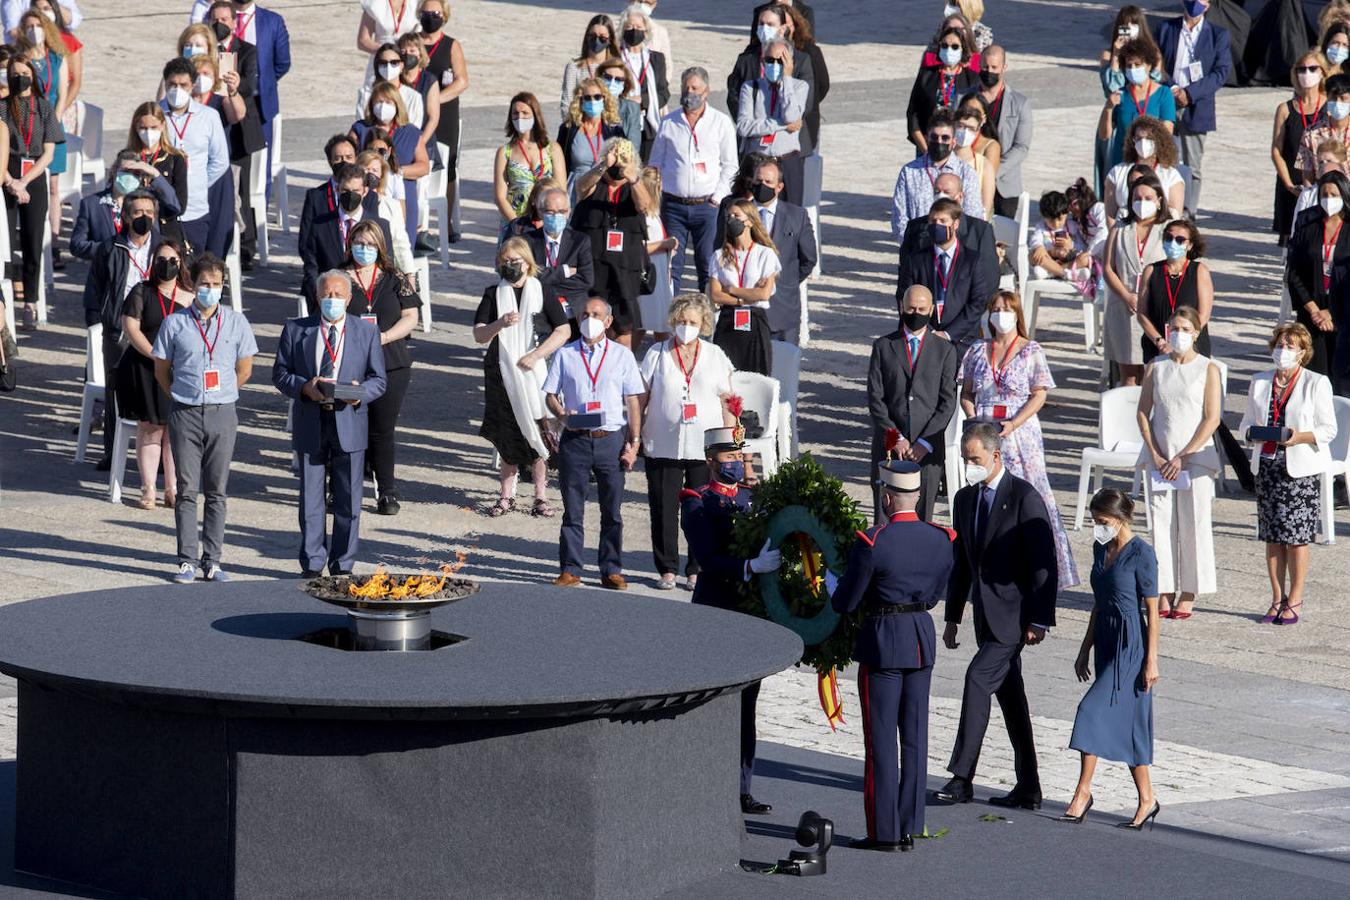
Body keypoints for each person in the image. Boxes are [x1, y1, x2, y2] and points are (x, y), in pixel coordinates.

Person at [832, 458, 954, 852]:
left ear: (886, 497)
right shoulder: (941, 538)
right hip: (920, 637)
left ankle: (883, 832)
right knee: (915, 738)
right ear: (917, 496)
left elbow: (846, 603)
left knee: (881, 740)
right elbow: (936, 593)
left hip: (884, 640)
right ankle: (908, 825)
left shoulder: (873, 541)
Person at [935, 421, 1058, 810]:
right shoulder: (965, 500)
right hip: (985, 616)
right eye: (965, 459)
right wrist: (952, 615)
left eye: (975, 458)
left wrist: (1039, 618)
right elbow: (962, 564)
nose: (970, 465)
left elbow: (1044, 564)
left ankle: (961, 777)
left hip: (1014, 618)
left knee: (977, 678)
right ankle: (1028, 786)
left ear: (996, 456)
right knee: (1011, 699)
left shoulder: (1023, 497)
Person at [680, 424, 783, 814]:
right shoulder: (696, 500)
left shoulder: (752, 497)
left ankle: (742, 787)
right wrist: (749, 566)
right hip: (716, 609)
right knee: (712, 702)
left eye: (740, 457)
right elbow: (707, 558)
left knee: (747, 704)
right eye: (729, 459)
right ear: (710, 461)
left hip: (750, 612)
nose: (737, 465)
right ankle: (704, 781)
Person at [960, 290, 1080, 589]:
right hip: (985, 429)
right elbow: (966, 393)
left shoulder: (1031, 350)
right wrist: (974, 418)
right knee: (986, 493)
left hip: (1019, 430)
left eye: (1006, 309)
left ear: (1017, 314)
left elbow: (1040, 393)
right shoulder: (977, 350)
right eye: (995, 308)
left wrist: (1014, 422)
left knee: (1030, 493)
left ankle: (1045, 565)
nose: (1000, 314)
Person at [151, 253, 258, 584]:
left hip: (223, 411)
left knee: (217, 490)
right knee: (186, 489)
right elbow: (161, 370)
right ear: (192, 285)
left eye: (215, 284)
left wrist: (221, 391)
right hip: (185, 411)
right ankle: (186, 559)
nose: (209, 290)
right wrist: (185, 394)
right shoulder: (175, 323)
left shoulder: (236, 322)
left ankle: (212, 560)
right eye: (203, 284)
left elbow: (245, 368)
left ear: (223, 285)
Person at [273, 270, 387, 577]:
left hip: (348, 421)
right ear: (317, 296)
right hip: (311, 420)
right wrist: (303, 387)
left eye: (338, 295)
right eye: (326, 295)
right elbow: (280, 374)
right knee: (311, 499)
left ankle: (342, 565)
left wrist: (358, 394)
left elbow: (379, 379)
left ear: (349, 299)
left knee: (348, 500)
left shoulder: (366, 333)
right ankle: (311, 563)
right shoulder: (297, 329)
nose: (332, 300)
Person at [1060, 489, 1161, 831]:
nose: (1098, 527)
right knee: (1130, 722)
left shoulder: (1142, 554)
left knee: (1090, 711)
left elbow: (1153, 610)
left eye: (1102, 521)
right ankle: (1147, 799)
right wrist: (1084, 646)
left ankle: (1083, 792)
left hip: (1131, 642)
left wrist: (1152, 660)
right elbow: (1099, 601)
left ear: (1121, 519)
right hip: (1105, 635)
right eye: (1095, 521)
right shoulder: (1100, 548)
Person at [1240, 324, 1339, 626]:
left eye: (1291, 346)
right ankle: (1275, 596)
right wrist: (1252, 434)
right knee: (1272, 537)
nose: (1284, 350)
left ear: (1302, 352)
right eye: (1280, 344)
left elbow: (1328, 429)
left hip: (1299, 469)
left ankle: (1295, 597)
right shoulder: (1259, 382)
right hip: (1267, 466)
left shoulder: (1316, 383)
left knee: (1295, 538)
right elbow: (1244, 426)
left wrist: (1298, 437)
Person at [543, 297, 645, 589]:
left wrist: (634, 441)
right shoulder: (566, 354)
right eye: (585, 314)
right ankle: (571, 568)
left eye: (596, 314)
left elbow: (633, 401)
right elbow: (550, 394)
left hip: (610, 439)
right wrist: (562, 414)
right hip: (576, 439)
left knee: (611, 510)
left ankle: (611, 568)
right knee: (572, 509)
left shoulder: (622, 356)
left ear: (608, 321)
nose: (590, 319)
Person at [641, 294, 734, 590]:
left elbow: (728, 399)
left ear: (703, 323)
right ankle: (667, 567)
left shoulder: (715, 354)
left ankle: (696, 567)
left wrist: (728, 442)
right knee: (663, 507)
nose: (686, 327)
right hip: (662, 441)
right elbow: (640, 396)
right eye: (681, 321)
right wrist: (632, 434)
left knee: (701, 509)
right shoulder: (657, 353)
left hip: (703, 445)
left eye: (692, 322)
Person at [475, 238, 571, 519]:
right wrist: (499, 324)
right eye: (505, 261)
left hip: (535, 374)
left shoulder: (543, 292)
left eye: (515, 261)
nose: (510, 266)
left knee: (539, 433)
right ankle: (507, 494)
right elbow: (479, 334)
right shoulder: (493, 293)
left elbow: (563, 331)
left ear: (528, 264)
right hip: (501, 373)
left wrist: (537, 355)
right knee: (507, 435)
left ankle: (541, 495)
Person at [1136, 307, 1222, 620]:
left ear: (1197, 333)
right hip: (1160, 454)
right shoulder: (1155, 367)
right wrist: (1157, 453)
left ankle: (1190, 590)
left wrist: (1184, 454)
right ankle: (1163, 587)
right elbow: (1144, 412)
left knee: (1193, 520)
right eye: (1175, 327)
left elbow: (1212, 417)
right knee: (1160, 522)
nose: (1179, 333)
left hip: (1195, 455)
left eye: (1186, 328)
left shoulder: (1207, 368)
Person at [344, 221, 419, 515]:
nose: (364, 249)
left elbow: (411, 315)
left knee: (382, 430)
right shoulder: (338, 277)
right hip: (349, 363)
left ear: (380, 248)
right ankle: (340, 489)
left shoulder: (394, 278)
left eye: (371, 244)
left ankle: (386, 491)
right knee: (347, 429)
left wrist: (384, 337)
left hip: (390, 361)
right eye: (359, 243)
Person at [867, 286, 959, 522]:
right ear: (901, 307)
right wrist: (896, 438)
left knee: (922, 517)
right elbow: (876, 399)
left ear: (931, 311)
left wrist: (924, 442)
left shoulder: (945, 350)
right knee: (884, 519)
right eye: (910, 308)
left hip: (926, 450)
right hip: (889, 445)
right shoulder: (883, 346)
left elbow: (947, 402)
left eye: (921, 309)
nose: (915, 313)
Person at [82, 191, 159, 470]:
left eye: (150, 213)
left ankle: (158, 455)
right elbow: (95, 290)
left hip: (154, 331)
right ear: (126, 217)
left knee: (156, 390)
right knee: (116, 391)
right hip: (118, 330)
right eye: (138, 212)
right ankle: (112, 451)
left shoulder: (162, 249)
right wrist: (101, 322)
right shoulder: (109, 248)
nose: (144, 218)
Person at [116, 238, 194, 510]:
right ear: (152, 263)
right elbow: (131, 328)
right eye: (161, 260)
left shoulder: (190, 296)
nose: (167, 265)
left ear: (180, 263)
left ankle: (172, 488)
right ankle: (148, 487)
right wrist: (157, 356)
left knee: (176, 431)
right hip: (144, 367)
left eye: (172, 261)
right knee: (150, 428)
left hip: (180, 372)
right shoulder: (141, 291)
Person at [650, 66, 737, 294]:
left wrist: (717, 198)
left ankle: (707, 322)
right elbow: (655, 164)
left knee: (707, 266)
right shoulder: (669, 122)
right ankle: (670, 325)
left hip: (707, 206)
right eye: (686, 88)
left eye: (695, 88)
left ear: (706, 91)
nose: (690, 92)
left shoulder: (720, 122)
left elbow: (731, 166)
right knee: (672, 266)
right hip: (673, 206)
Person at [572, 137, 650, 348]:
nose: (618, 163)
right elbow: (581, 188)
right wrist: (602, 166)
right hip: (594, 267)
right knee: (592, 320)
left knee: (625, 325)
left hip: (626, 269)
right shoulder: (596, 181)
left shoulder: (636, 185)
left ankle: (622, 370)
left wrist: (633, 177)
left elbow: (644, 206)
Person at [1154, 0, 1231, 213]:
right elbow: (1156, 63)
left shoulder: (1218, 34)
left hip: (1197, 106)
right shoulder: (1166, 29)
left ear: (1208, 5)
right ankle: (1163, 206)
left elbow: (1221, 72)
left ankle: (1189, 211)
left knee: (1192, 164)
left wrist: (1190, 93)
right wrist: (1173, 88)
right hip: (1168, 100)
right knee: (1164, 158)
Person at [204, 0, 265, 268]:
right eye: (216, 19)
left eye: (225, 19)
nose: (220, 24)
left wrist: (236, 84)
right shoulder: (204, 51)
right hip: (213, 124)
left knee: (243, 189)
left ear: (234, 22)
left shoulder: (247, 51)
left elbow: (252, 84)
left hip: (239, 129)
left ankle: (247, 245)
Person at [2, 53, 59, 331]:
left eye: (24, 73)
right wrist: (11, 181)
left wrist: (24, 182)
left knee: (32, 239)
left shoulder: (44, 108)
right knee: (6, 242)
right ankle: (5, 297)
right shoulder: (2, 107)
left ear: (32, 76)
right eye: (14, 74)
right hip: (6, 172)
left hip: (33, 174)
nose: (19, 78)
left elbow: (49, 153)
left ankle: (31, 301)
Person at [299, 162, 394, 315]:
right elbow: (311, 267)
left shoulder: (380, 226)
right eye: (345, 191)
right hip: (331, 299)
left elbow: (387, 267)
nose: (351, 196)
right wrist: (323, 296)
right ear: (337, 190)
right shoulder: (319, 225)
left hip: (369, 301)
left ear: (365, 191)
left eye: (356, 191)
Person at [1102, 175, 1169, 386]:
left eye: (1148, 197)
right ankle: (1127, 417)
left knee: (1154, 374)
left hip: (1154, 307)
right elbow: (1108, 268)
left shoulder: (1168, 229)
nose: (1143, 202)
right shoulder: (1120, 228)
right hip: (1124, 305)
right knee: (1129, 375)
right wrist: (1126, 295)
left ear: (1159, 200)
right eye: (1137, 197)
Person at [896, 197, 989, 349]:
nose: (937, 225)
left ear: (956, 224)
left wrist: (948, 334)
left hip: (961, 340)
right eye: (933, 221)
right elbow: (903, 295)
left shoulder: (972, 260)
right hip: (923, 337)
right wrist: (926, 332)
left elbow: (978, 301)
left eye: (942, 221)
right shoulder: (916, 260)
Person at [159, 56, 229, 256]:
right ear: (165, 83)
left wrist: (197, 182)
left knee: (192, 266)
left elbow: (220, 160)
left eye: (183, 85)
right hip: (163, 210)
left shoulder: (208, 116)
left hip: (195, 207)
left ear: (192, 86)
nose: (177, 89)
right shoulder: (156, 115)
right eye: (172, 84)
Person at [727, 4, 818, 157]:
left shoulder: (801, 60)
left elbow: (807, 101)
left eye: (770, 24)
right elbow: (734, 97)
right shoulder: (746, 60)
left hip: (788, 144)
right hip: (754, 143)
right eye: (761, 24)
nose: (764, 28)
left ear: (782, 29)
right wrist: (760, 126)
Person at [17, 9, 68, 270]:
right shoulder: (20, 60)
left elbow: (62, 94)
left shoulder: (57, 59)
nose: (33, 30)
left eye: (38, 25)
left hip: (50, 129)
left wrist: (51, 124)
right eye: (29, 25)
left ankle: (55, 244)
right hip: (24, 129)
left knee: (53, 188)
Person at [1286, 170, 1350, 375]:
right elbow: (1294, 271)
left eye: (1334, 195)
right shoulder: (1307, 222)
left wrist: (1331, 312)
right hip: (1311, 311)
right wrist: (1314, 311)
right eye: (1324, 194)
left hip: (1344, 311)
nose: (1328, 200)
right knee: (1311, 374)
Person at [350, 82, 429, 247]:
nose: (383, 107)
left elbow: (423, 166)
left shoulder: (410, 132)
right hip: (367, 191)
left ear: (397, 104)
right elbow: (349, 159)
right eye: (378, 102)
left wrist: (395, 172)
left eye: (388, 102)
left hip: (403, 195)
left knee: (401, 245)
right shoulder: (361, 129)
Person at [747, 156, 815, 344]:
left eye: (768, 182)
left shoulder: (797, 216)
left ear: (779, 187)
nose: (763, 185)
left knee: (784, 367)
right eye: (759, 181)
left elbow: (808, 259)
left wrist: (786, 280)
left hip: (783, 307)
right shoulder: (738, 212)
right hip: (746, 307)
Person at [890, 109, 983, 245]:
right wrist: (912, 245)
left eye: (945, 138)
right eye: (934, 137)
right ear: (927, 137)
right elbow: (899, 216)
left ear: (953, 142)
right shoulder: (909, 171)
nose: (939, 141)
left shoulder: (966, 173)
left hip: (956, 251)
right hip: (917, 248)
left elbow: (973, 216)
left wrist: (952, 248)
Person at [734, 36, 808, 206]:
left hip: (786, 161)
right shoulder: (751, 87)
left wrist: (786, 80)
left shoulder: (799, 86)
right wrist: (781, 125)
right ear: (762, 60)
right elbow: (744, 127)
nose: (774, 65)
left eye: (780, 61)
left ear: (789, 62)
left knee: (790, 216)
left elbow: (791, 115)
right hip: (758, 161)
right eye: (769, 60)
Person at [708, 199, 779, 375]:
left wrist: (731, 290)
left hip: (755, 320)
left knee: (756, 375)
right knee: (724, 375)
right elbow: (715, 295)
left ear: (750, 221)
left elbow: (763, 294)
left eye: (736, 216)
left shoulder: (765, 254)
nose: (731, 219)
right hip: (727, 319)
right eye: (728, 216)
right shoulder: (719, 256)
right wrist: (744, 298)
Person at [70, 151, 182, 261]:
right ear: (114, 171)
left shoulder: (149, 201)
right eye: (126, 171)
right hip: (109, 272)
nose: (130, 176)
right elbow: (77, 245)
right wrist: (109, 248)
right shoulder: (92, 204)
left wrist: (155, 174)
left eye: (136, 173)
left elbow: (174, 207)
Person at [417, 0, 467, 243]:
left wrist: (436, 100)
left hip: (444, 113)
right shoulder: (413, 42)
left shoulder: (451, 45)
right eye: (426, 13)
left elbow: (461, 81)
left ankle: (446, 223)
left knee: (447, 166)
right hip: (417, 112)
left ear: (444, 15)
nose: (430, 17)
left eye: (435, 13)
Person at [900, 171, 999, 293]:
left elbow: (989, 278)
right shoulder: (915, 228)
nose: (940, 196)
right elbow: (905, 274)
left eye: (946, 192)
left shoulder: (980, 231)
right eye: (937, 191)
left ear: (960, 197)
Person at [1136, 219, 1213, 364]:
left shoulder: (1199, 271)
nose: (1173, 242)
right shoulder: (1151, 271)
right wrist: (1160, 341)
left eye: (1180, 240)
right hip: (1157, 346)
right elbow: (1141, 313)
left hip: (1192, 345)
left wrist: (1186, 339)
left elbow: (1204, 314)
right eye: (1169, 238)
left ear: (1189, 245)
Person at [1099, 39, 1176, 175]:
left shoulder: (1163, 94)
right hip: (1122, 164)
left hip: (1153, 164)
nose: (1133, 69)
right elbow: (1105, 135)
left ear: (1148, 65)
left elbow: (1167, 131)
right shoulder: (1119, 94)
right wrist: (1109, 108)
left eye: (1137, 64)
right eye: (1129, 65)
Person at [1273, 51, 1328, 243]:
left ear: (1323, 72)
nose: (1307, 73)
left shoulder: (1330, 106)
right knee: (1291, 239)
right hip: (1292, 182)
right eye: (1301, 69)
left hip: (1324, 183)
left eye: (1313, 69)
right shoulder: (1285, 108)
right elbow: (1277, 149)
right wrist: (1288, 184)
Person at [523, 185, 594, 333]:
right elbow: (528, 277)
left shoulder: (580, 241)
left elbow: (586, 280)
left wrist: (545, 279)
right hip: (540, 312)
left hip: (574, 313)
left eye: (562, 211)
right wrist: (564, 272)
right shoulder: (527, 241)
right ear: (541, 212)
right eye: (550, 212)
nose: (556, 216)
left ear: (568, 212)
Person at [493, 92, 564, 226]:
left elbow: (561, 189)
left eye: (525, 113)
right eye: (515, 113)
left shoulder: (553, 149)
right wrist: (516, 223)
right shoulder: (504, 152)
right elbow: (499, 197)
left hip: (547, 219)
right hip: (516, 219)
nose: (520, 117)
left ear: (535, 115)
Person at [976, 46, 1031, 219]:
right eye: (985, 67)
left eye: (994, 67)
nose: (989, 71)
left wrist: (992, 171)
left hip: (1005, 186)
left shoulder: (1020, 103)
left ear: (1004, 68)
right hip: (973, 181)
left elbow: (1021, 147)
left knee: (1004, 240)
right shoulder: (966, 99)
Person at [907, 25, 979, 155]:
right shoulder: (927, 75)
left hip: (959, 149)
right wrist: (925, 149)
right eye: (944, 46)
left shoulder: (971, 79)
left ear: (963, 50)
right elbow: (913, 114)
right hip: (928, 145)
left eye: (955, 46)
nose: (949, 50)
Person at [126, 102, 189, 245]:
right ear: (135, 128)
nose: (148, 133)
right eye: (143, 128)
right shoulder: (128, 157)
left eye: (153, 127)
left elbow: (179, 206)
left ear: (162, 125)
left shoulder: (175, 158)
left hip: (164, 232)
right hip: (134, 232)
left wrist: (156, 176)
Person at [1102, 115, 1186, 222]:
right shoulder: (1117, 172)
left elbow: (1175, 215)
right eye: (1139, 138)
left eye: (1149, 138)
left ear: (1158, 141)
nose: (1143, 142)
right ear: (1133, 141)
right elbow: (1110, 215)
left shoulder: (1171, 175)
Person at [616, 4, 669, 161]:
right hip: (621, 123)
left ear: (646, 32)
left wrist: (643, 100)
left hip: (647, 126)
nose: (634, 30)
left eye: (638, 27)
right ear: (623, 30)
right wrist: (625, 102)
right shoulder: (615, 57)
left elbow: (663, 93)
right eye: (630, 26)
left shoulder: (656, 59)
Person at [557, 76, 624, 198]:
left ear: (604, 99)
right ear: (580, 101)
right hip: (575, 190)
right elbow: (558, 165)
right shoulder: (568, 129)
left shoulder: (615, 130)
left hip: (603, 188)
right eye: (587, 98)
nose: (593, 101)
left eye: (597, 97)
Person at [635, 164, 676, 345]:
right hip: (649, 275)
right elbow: (637, 247)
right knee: (647, 325)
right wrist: (665, 244)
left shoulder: (654, 213)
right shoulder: (643, 216)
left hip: (659, 273)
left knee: (659, 325)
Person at [356, 148, 415, 274]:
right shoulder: (351, 202)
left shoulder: (392, 205)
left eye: (374, 170)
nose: (369, 173)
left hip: (384, 268)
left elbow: (401, 243)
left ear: (381, 176)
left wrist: (409, 273)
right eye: (365, 169)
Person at [354, 0, 415, 117]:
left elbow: (418, 38)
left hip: (405, 64)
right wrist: (387, 51)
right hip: (381, 63)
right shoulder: (375, 4)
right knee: (372, 104)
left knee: (405, 104)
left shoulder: (415, 4)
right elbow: (362, 41)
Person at [1028, 190, 1094, 289]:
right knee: (1033, 255)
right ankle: (1068, 274)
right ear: (1043, 216)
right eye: (1051, 220)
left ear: (1067, 214)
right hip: (1049, 259)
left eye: (1060, 219)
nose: (1056, 224)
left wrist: (1071, 245)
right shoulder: (1042, 227)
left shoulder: (1072, 226)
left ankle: (1050, 273)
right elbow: (1035, 239)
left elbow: (1083, 246)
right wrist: (1039, 247)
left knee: (1085, 259)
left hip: (1068, 260)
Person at [561, 14, 618, 121]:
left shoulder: (616, 68)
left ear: (610, 39)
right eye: (593, 36)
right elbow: (567, 101)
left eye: (602, 37)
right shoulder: (574, 66)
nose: (597, 40)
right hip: (580, 126)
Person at [1297, 74, 1350, 185]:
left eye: (1343, 98)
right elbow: (1307, 173)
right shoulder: (1311, 133)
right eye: (1333, 98)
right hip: (1324, 195)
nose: (1338, 102)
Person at [952, 99, 997, 218]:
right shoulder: (942, 160)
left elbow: (985, 209)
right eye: (961, 126)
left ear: (978, 131)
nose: (965, 132)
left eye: (971, 128)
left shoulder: (984, 165)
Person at [596, 56, 642, 150]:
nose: (612, 82)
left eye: (618, 79)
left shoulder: (632, 108)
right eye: (607, 77)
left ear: (625, 84)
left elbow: (634, 146)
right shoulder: (590, 103)